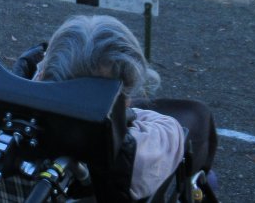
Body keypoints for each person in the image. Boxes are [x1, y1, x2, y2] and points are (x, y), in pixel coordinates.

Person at [32, 15, 216, 201]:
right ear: (124, 98)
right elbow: (172, 129)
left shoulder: (15, 134)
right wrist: (124, 112)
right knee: (208, 173)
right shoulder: (133, 156)